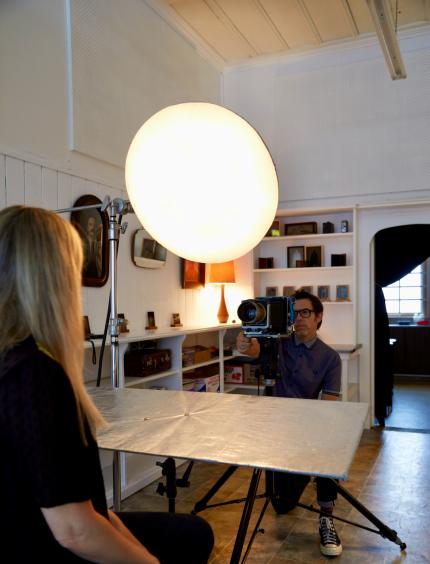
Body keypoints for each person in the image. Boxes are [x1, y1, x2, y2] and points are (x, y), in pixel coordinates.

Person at [0, 205, 214, 564]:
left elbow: (88, 507)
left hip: (51, 522)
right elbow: (74, 530)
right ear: (54, 277)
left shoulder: (16, 361)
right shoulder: (35, 374)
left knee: (190, 533)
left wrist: (134, 546)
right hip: (45, 543)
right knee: (191, 538)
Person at [236, 289, 343, 557]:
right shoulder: (279, 344)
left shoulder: (331, 358)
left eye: (306, 312)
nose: (300, 318)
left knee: (330, 444)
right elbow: (254, 349)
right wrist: (245, 343)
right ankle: (300, 475)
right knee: (282, 505)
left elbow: (329, 405)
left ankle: (326, 516)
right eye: (295, 313)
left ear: (319, 317)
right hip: (275, 431)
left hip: (308, 428)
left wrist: (309, 429)